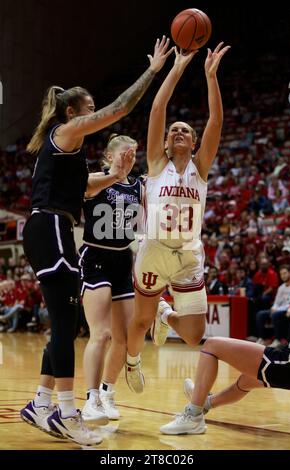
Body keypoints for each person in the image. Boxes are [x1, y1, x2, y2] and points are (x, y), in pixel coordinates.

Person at [20, 36, 172, 446]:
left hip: (54, 227)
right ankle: (67, 412)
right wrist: (154, 72)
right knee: (68, 326)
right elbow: (120, 108)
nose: (95, 114)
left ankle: (41, 401)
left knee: (63, 326)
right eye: (90, 109)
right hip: (50, 226)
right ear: (73, 112)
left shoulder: (70, 153)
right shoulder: (66, 130)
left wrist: (117, 178)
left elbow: (86, 188)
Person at [125, 42, 230, 393]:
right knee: (139, 320)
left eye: (186, 129)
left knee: (194, 334)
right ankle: (133, 362)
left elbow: (217, 119)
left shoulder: (200, 168)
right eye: (174, 130)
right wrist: (178, 67)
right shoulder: (157, 164)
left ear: (194, 140)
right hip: (154, 248)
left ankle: (166, 313)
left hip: (187, 254)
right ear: (166, 144)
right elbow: (158, 107)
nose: (179, 131)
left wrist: (210, 76)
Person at [79, 134, 142, 424]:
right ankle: (90, 398)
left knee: (126, 337)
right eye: (124, 156)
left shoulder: (138, 186)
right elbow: (86, 188)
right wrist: (114, 173)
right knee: (101, 333)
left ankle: (107, 391)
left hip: (121, 259)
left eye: (133, 157)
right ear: (109, 157)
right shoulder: (96, 178)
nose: (129, 161)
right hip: (95, 257)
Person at [160, 336, 290, 435]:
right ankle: (206, 403)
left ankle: (194, 416)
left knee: (212, 345)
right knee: (247, 380)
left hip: (289, 363)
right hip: (288, 358)